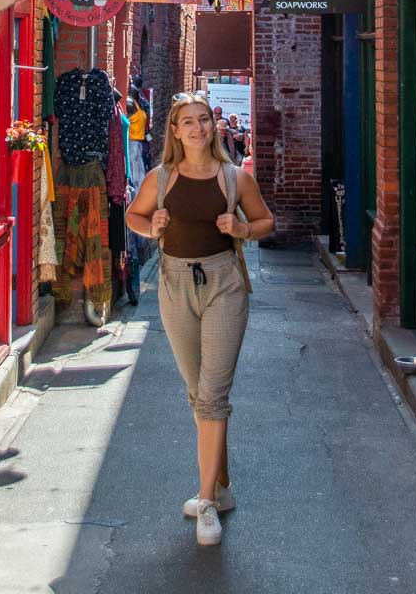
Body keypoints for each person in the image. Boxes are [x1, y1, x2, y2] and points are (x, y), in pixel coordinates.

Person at [125, 92, 274, 546]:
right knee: (197, 393)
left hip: (224, 284)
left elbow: (266, 222)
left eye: (204, 119)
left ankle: (206, 501)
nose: (197, 128)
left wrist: (242, 229)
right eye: (188, 121)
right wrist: (151, 227)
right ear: (175, 130)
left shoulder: (234, 178)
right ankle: (221, 486)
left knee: (212, 395)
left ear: (213, 125)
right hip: (174, 285)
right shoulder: (161, 178)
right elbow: (133, 215)